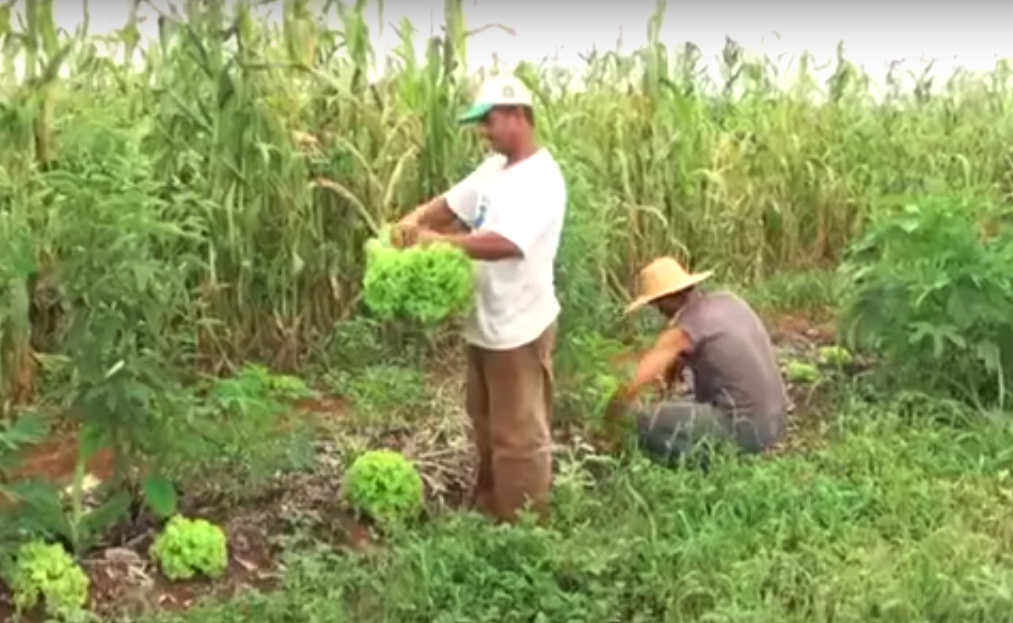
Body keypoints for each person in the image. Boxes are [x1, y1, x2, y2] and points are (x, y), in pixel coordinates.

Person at [393, 75, 566, 524]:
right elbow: (451, 205)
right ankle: (490, 509)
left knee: (519, 435)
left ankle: (523, 527)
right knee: (486, 422)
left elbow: (506, 243)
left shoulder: (541, 179)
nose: (483, 132)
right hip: (485, 323)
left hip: (519, 327)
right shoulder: (493, 170)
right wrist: (415, 220)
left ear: (517, 115)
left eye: (488, 121)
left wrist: (435, 242)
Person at [605, 257, 789, 466]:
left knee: (642, 420)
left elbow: (638, 380)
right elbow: (673, 368)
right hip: (775, 421)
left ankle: (708, 464)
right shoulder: (729, 302)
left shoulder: (684, 330)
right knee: (680, 407)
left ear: (666, 298)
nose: (656, 309)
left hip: (745, 428)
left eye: (655, 303)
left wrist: (610, 416)